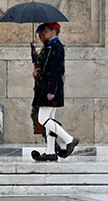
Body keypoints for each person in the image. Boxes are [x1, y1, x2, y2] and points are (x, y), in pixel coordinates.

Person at [31, 22, 78, 161]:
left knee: (43, 119)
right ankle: (50, 151)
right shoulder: (50, 47)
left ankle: (69, 140)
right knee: (49, 120)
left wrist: (51, 90)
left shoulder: (56, 47)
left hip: (50, 89)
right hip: (46, 88)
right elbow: (46, 68)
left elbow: (56, 71)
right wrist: (37, 70)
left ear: (53, 31)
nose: (42, 35)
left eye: (45, 31)